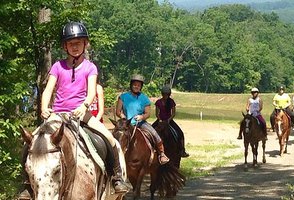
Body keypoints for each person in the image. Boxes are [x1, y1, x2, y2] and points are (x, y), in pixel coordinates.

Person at [18, 22, 128, 199]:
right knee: (30, 143)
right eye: (71, 43)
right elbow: (48, 90)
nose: (75, 46)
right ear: (65, 46)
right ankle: (26, 185)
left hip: (80, 113)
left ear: (85, 44)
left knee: (109, 139)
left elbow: (92, 91)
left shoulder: (90, 67)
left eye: (78, 42)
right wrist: (44, 107)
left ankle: (116, 178)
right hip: (57, 114)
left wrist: (84, 106)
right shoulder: (57, 66)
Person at [116, 74, 170, 165]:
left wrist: (141, 117)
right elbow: (118, 111)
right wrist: (123, 117)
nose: (136, 86)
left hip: (140, 123)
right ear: (131, 85)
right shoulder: (123, 97)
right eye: (135, 84)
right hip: (126, 124)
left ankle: (161, 154)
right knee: (115, 135)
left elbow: (148, 113)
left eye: (138, 85)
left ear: (141, 86)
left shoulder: (144, 98)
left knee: (155, 134)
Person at [154, 85, 189, 157]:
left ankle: (182, 150)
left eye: (167, 94)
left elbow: (173, 113)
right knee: (151, 130)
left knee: (180, 133)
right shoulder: (158, 102)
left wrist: (168, 120)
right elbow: (157, 113)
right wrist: (160, 119)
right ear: (162, 94)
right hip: (160, 120)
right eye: (164, 94)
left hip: (169, 121)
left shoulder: (171, 102)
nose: (165, 96)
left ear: (169, 94)